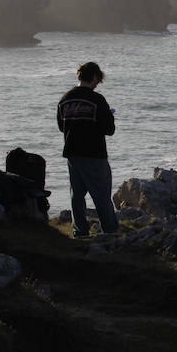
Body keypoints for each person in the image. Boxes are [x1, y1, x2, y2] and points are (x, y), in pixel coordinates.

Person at [57, 62, 118, 238]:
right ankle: (110, 231)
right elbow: (109, 130)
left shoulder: (64, 99)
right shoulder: (97, 100)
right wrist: (110, 116)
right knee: (101, 195)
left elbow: (62, 127)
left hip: (72, 154)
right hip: (94, 154)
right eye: (98, 80)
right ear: (93, 77)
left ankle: (80, 231)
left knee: (76, 196)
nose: (98, 84)